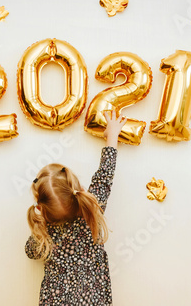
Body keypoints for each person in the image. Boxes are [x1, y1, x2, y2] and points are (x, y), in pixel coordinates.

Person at [25, 110, 126, 306]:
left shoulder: (44, 233)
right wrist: (112, 136)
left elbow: (30, 252)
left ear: (41, 208)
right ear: (79, 190)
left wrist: (39, 224)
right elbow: (105, 176)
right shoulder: (92, 211)